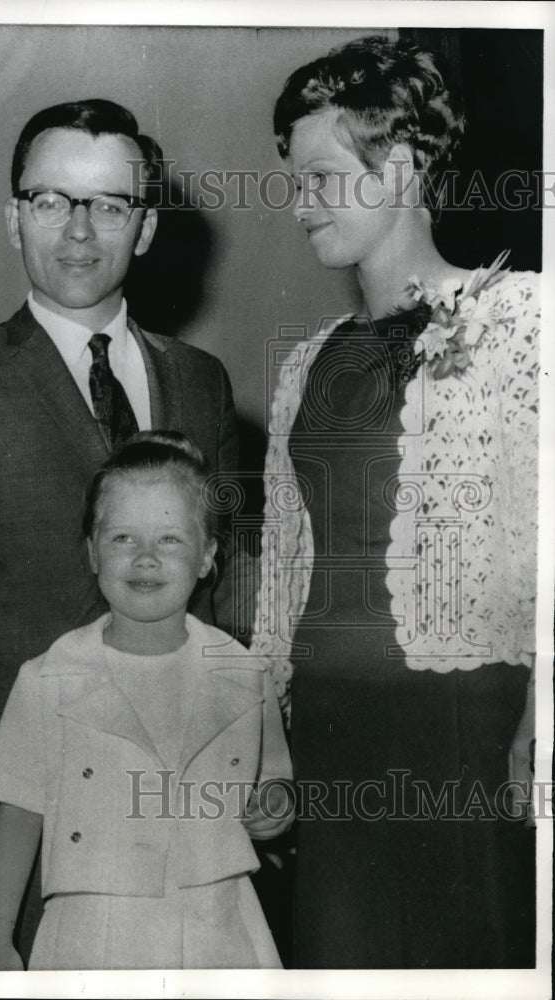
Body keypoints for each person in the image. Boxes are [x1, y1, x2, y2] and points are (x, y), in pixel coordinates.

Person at [0, 99, 238, 969]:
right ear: (13, 218)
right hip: (20, 809)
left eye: (109, 204)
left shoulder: (202, 382)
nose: (79, 231)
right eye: (50, 200)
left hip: (183, 803)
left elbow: (223, 597)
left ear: (144, 228)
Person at [250, 36, 538, 968]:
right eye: (293, 183)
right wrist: (272, 741)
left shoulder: (522, 324)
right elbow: (285, 581)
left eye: (322, 180)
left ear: (402, 166)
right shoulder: (308, 361)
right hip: (333, 735)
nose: (299, 209)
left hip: (465, 731)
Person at [0, 431, 293, 969]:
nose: (145, 558)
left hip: (219, 923)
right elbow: (19, 817)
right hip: (93, 930)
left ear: (206, 556)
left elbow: (278, 779)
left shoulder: (244, 672)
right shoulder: (49, 678)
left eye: (170, 539)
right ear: (92, 553)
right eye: (123, 537)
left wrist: (276, 807)